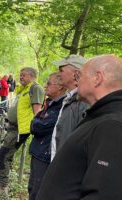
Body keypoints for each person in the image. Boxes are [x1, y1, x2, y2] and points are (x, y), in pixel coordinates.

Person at [37, 55, 122, 200]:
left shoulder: (111, 125)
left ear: (97, 78)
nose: (77, 82)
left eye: (80, 75)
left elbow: (104, 193)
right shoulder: (99, 116)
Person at [0, 67, 44, 193]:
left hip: (19, 131)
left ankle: (2, 187)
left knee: (2, 155)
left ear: (32, 76)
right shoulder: (23, 89)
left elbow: (37, 112)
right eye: (20, 75)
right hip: (12, 128)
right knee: (6, 156)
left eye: (24, 75)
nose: (20, 77)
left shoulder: (35, 88)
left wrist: (35, 130)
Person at [28, 72, 66, 200]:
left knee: (38, 192)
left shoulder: (61, 106)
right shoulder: (49, 103)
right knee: (31, 188)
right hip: (37, 151)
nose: (46, 86)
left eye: (49, 83)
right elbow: (35, 121)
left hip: (45, 154)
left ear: (60, 86)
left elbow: (39, 126)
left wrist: (36, 122)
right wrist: (36, 122)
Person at [50, 55, 89, 160]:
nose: (58, 74)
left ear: (76, 73)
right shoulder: (70, 99)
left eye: (61, 70)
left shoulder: (83, 102)